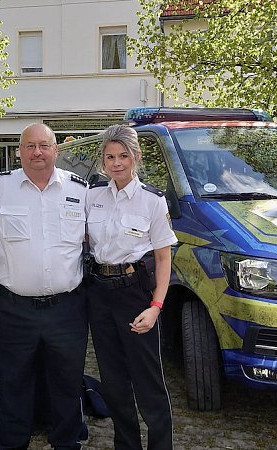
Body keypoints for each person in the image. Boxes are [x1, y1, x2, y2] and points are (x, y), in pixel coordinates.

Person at [0, 123, 88, 450]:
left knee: (67, 383)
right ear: (19, 151)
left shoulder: (80, 190)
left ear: (56, 150)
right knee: (12, 382)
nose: (37, 152)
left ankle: (67, 442)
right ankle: (11, 443)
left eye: (44, 145)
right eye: (29, 146)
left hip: (67, 309)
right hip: (14, 309)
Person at [85, 125, 177, 450]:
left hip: (135, 293)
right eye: (110, 156)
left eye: (123, 155)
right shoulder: (92, 196)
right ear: (103, 160)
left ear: (135, 157)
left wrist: (155, 307)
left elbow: (164, 260)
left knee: (148, 382)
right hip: (99, 293)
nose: (117, 163)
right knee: (113, 383)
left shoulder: (152, 201)